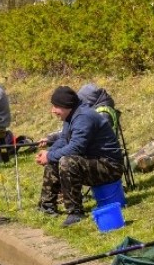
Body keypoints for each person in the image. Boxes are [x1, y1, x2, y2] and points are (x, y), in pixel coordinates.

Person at [36, 86, 123, 227]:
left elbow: (76, 148)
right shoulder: (71, 115)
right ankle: (47, 206)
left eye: (56, 106)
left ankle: (76, 212)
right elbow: (64, 140)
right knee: (55, 159)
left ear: (66, 106)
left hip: (110, 166)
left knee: (67, 161)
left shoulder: (84, 117)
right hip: (93, 162)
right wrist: (48, 153)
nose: (53, 110)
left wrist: (50, 156)